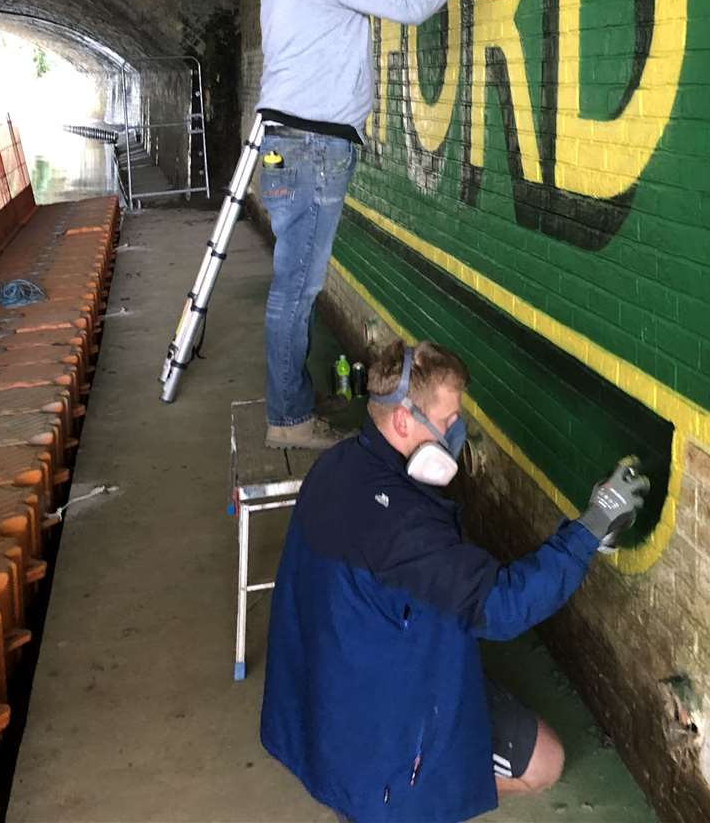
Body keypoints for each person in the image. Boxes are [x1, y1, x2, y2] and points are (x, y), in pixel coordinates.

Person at [261, 338, 649, 823]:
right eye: (446, 423)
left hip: (327, 695)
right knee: (544, 764)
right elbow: (502, 607)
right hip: (376, 733)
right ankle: (399, 804)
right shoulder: (400, 527)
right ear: (403, 419)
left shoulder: (338, 465)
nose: (455, 433)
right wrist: (590, 529)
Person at [256, 0, 496, 450]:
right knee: (297, 291)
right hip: (313, 148)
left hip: (285, 146)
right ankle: (288, 419)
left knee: (291, 287)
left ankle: (288, 405)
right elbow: (411, 7)